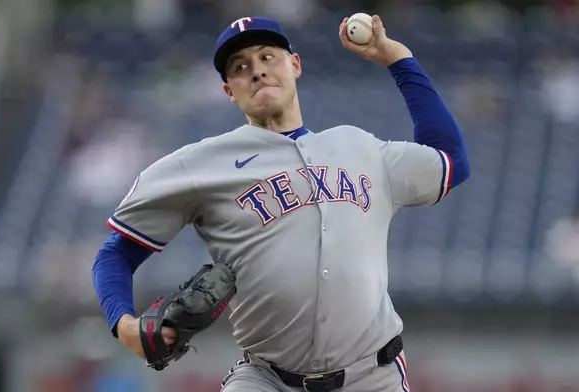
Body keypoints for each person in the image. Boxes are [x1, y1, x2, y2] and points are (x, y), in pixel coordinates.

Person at [92, 14, 470, 392]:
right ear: (229, 91)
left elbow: (450, 161)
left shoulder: (361, 147)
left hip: (373, 377)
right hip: (267, 380)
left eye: (267, 57)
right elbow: (116, 253)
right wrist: (123, 325)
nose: (256, 71)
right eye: (240, 67)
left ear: (295, 64)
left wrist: (397, 58)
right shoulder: (199, 164)